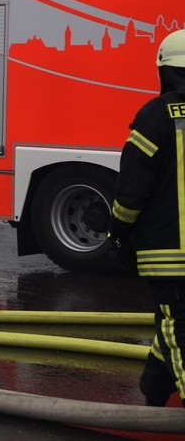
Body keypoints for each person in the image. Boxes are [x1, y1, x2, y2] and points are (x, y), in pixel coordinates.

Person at [110, 29, 185, 407]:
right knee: (174, 323)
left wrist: (119, 232)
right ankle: (155, 390)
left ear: (165, 72)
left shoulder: (155, 116)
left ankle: (159, 390)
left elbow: (132, 187)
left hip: (170, 255)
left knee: (177, 326)